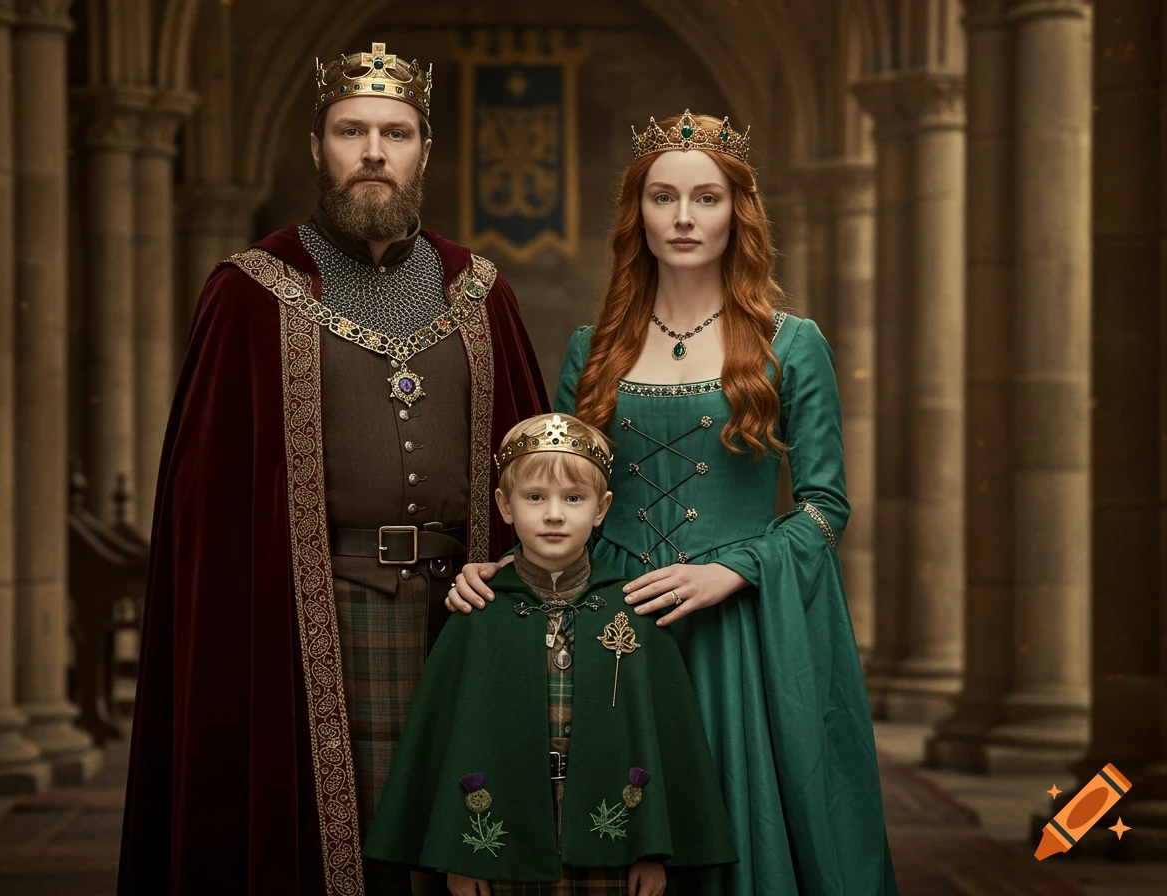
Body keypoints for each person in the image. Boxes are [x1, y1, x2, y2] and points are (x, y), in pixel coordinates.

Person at [118, 42, 549, 896]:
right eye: (351, 131)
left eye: (396, 132)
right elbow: (209, 514)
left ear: (427, 150)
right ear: (317, 149)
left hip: (464, 616)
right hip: (307, 618)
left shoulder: (482, 292)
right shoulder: (247, 293)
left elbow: (529, 459)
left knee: (457, 845)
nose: (374, 152)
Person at [449, 111, 898, 895]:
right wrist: (501, 569)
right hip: (612, 617)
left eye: (706, 198)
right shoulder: (593, 349)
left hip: (738, 628)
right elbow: (556, 488)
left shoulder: (792, 344)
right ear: (638, 214)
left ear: (738, 212)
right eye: (663, 197)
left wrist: (733, 572)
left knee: (735, 826)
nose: (685, 218)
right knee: (612, 834)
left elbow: (827, 506)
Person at [364, 413, 737, 896]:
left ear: (601, 508)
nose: (554, 514)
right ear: (504, 505)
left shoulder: (636, 612)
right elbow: (452, 740)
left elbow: (660, 740)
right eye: (535, 497)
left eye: (573, 498)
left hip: (611, 859)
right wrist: (462, 855)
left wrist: (650, 851)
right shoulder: (478, 612)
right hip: (501, 858)